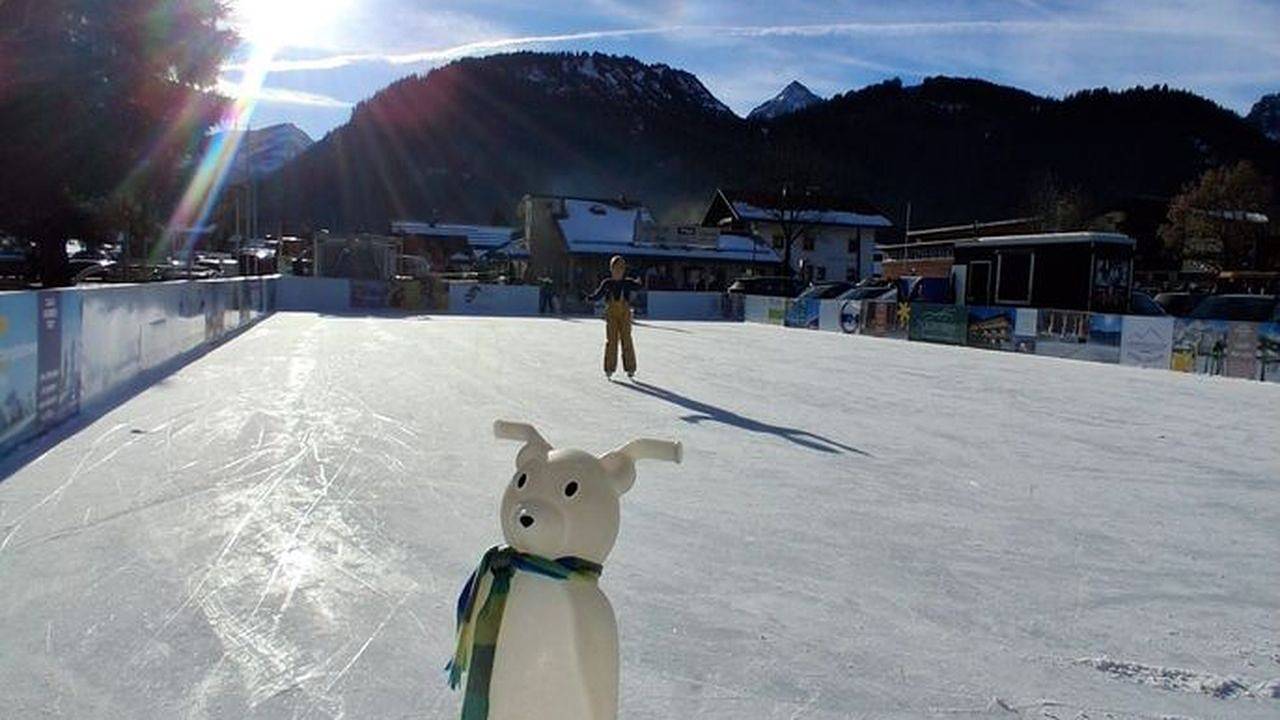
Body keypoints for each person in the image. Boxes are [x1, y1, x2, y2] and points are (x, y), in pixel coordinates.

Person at [587, 256, 643, 379]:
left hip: (625, 314)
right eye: (615, 269)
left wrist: (639, 278)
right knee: (611, 340)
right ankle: (609, 367)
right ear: (611, 269)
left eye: (621, 269)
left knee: (626, 339)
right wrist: (589, 297)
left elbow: (638, 286)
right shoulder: (607, 283)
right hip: (611, 314)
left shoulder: (627, 283)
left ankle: (630, 367)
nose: (618, 271)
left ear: (624, 270)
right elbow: (599, 294)